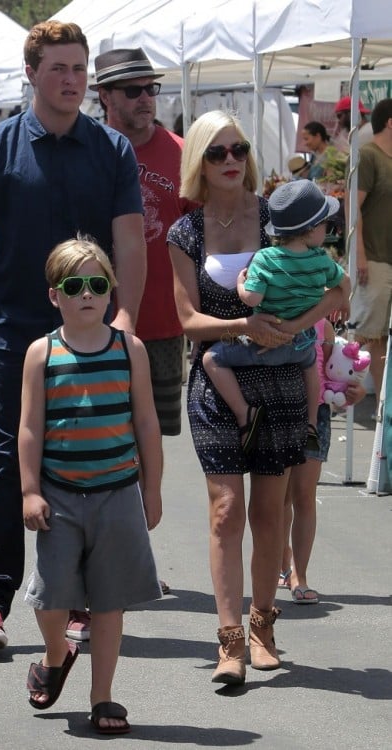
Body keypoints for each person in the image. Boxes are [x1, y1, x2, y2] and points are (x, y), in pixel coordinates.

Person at [0, 20, 146, 651]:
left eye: (80, 69)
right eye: (58, 68)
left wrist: (125, 323)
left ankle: (78, 601)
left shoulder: (111, 150)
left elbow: (131, 242)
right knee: (7, 465)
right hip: (10, 335)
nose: (71, 80)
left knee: (87, 468)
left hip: (92, 337)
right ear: (30, 73)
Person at [167, 110, 346, 686]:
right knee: (226, 511)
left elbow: (337, 290)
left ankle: (263, 625)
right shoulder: (185, 232)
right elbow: (188, 321)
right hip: (219, 380)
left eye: (238, 149)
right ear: (198, 160)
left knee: (272, 510)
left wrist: (299, 329)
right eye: (216, 153)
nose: (230, 161)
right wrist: (244, 326)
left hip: (284, 382)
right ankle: (229, 641)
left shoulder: (278, 215)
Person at [20, 236, 162, 733]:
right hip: (58, 495)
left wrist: (153, 487)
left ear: (111, 291)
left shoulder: (130, 348)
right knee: (52, 598)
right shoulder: (42, 352)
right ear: (55, 294)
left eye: (97, 284)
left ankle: (103, 697)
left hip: (118, 491)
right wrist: (30, 489)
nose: (87, 293)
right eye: (74, 285)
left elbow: (146, 422)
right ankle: (57, 654)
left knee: (109, 601)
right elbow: (31, 427)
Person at [202, 179, 351, 454]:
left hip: (265, 345)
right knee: (310, 369)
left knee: (211, 358)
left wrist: (240, 284)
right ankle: (310, 424)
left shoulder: (265, 259)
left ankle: (243, 413)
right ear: (309, 231)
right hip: (302, 346)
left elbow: (253, 298)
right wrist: (346, 306)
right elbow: (345, 283)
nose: (327, 230)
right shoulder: (322, 260)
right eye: (325, 225)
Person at [91, 47, 192, 441]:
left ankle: (148, 506)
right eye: (133, 91)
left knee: (151, 437)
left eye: (151, 89)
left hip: (163, 326)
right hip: (90, 321)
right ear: (105, 96)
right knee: (98, 433)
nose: (146, 98)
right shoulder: (88, 150)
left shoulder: (183, 153)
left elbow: (202, 239)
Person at [279, 319, 366, 602]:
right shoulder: (272, 308)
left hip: (316, 415)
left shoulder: (323, 326)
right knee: (278, 499)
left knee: (303, 495)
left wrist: (353, 392)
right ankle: (282, 562)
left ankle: (299, 575)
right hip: (276, 410)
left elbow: (332, 376)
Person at [346, 97, 392, 410]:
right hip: (374, 256)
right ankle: (339, 384)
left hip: (385, 256)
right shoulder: (369, 156)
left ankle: (382, 403)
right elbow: (353, 205)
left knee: (381, 335)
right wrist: (359, 253)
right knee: (366, 332)